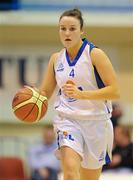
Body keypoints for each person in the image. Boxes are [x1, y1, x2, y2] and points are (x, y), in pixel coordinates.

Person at [39, 8, 120, 180]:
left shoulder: (95, 54)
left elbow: (115, 91)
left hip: (96, 122)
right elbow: (44, 92)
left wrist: (82, 95)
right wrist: (30, 98)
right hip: (68, 120)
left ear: (81, 30)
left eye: (72, 28)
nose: (67, 33)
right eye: (63, 28)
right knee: (69, 172)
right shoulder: (56, 59)